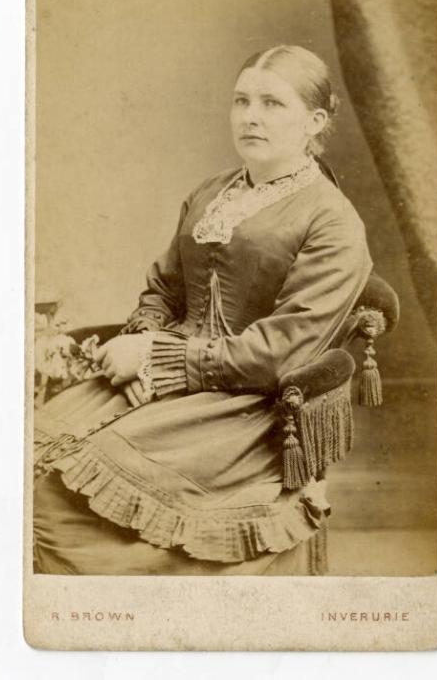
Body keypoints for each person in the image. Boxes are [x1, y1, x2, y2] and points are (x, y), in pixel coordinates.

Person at [33, 45, 373, 575]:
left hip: (244, 406)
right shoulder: (212, 192)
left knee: (53, 502)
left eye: (271, 103)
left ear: (315, 121)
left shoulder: (333, 223)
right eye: (241, 101)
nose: (250, 116)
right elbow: (164, 289)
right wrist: (142, 347)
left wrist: (157, 358)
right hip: (162, 382)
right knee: (20, 466)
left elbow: (282, 351)